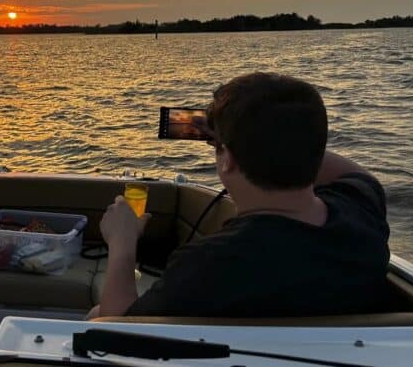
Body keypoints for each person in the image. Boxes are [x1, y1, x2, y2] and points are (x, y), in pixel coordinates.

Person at [94, 72, 390, 318]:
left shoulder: (210, 264)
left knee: (95, 315)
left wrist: (123, 242)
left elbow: (117, 326)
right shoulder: (360, 214)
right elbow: (357, 175)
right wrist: (272, 136)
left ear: (229, 160)